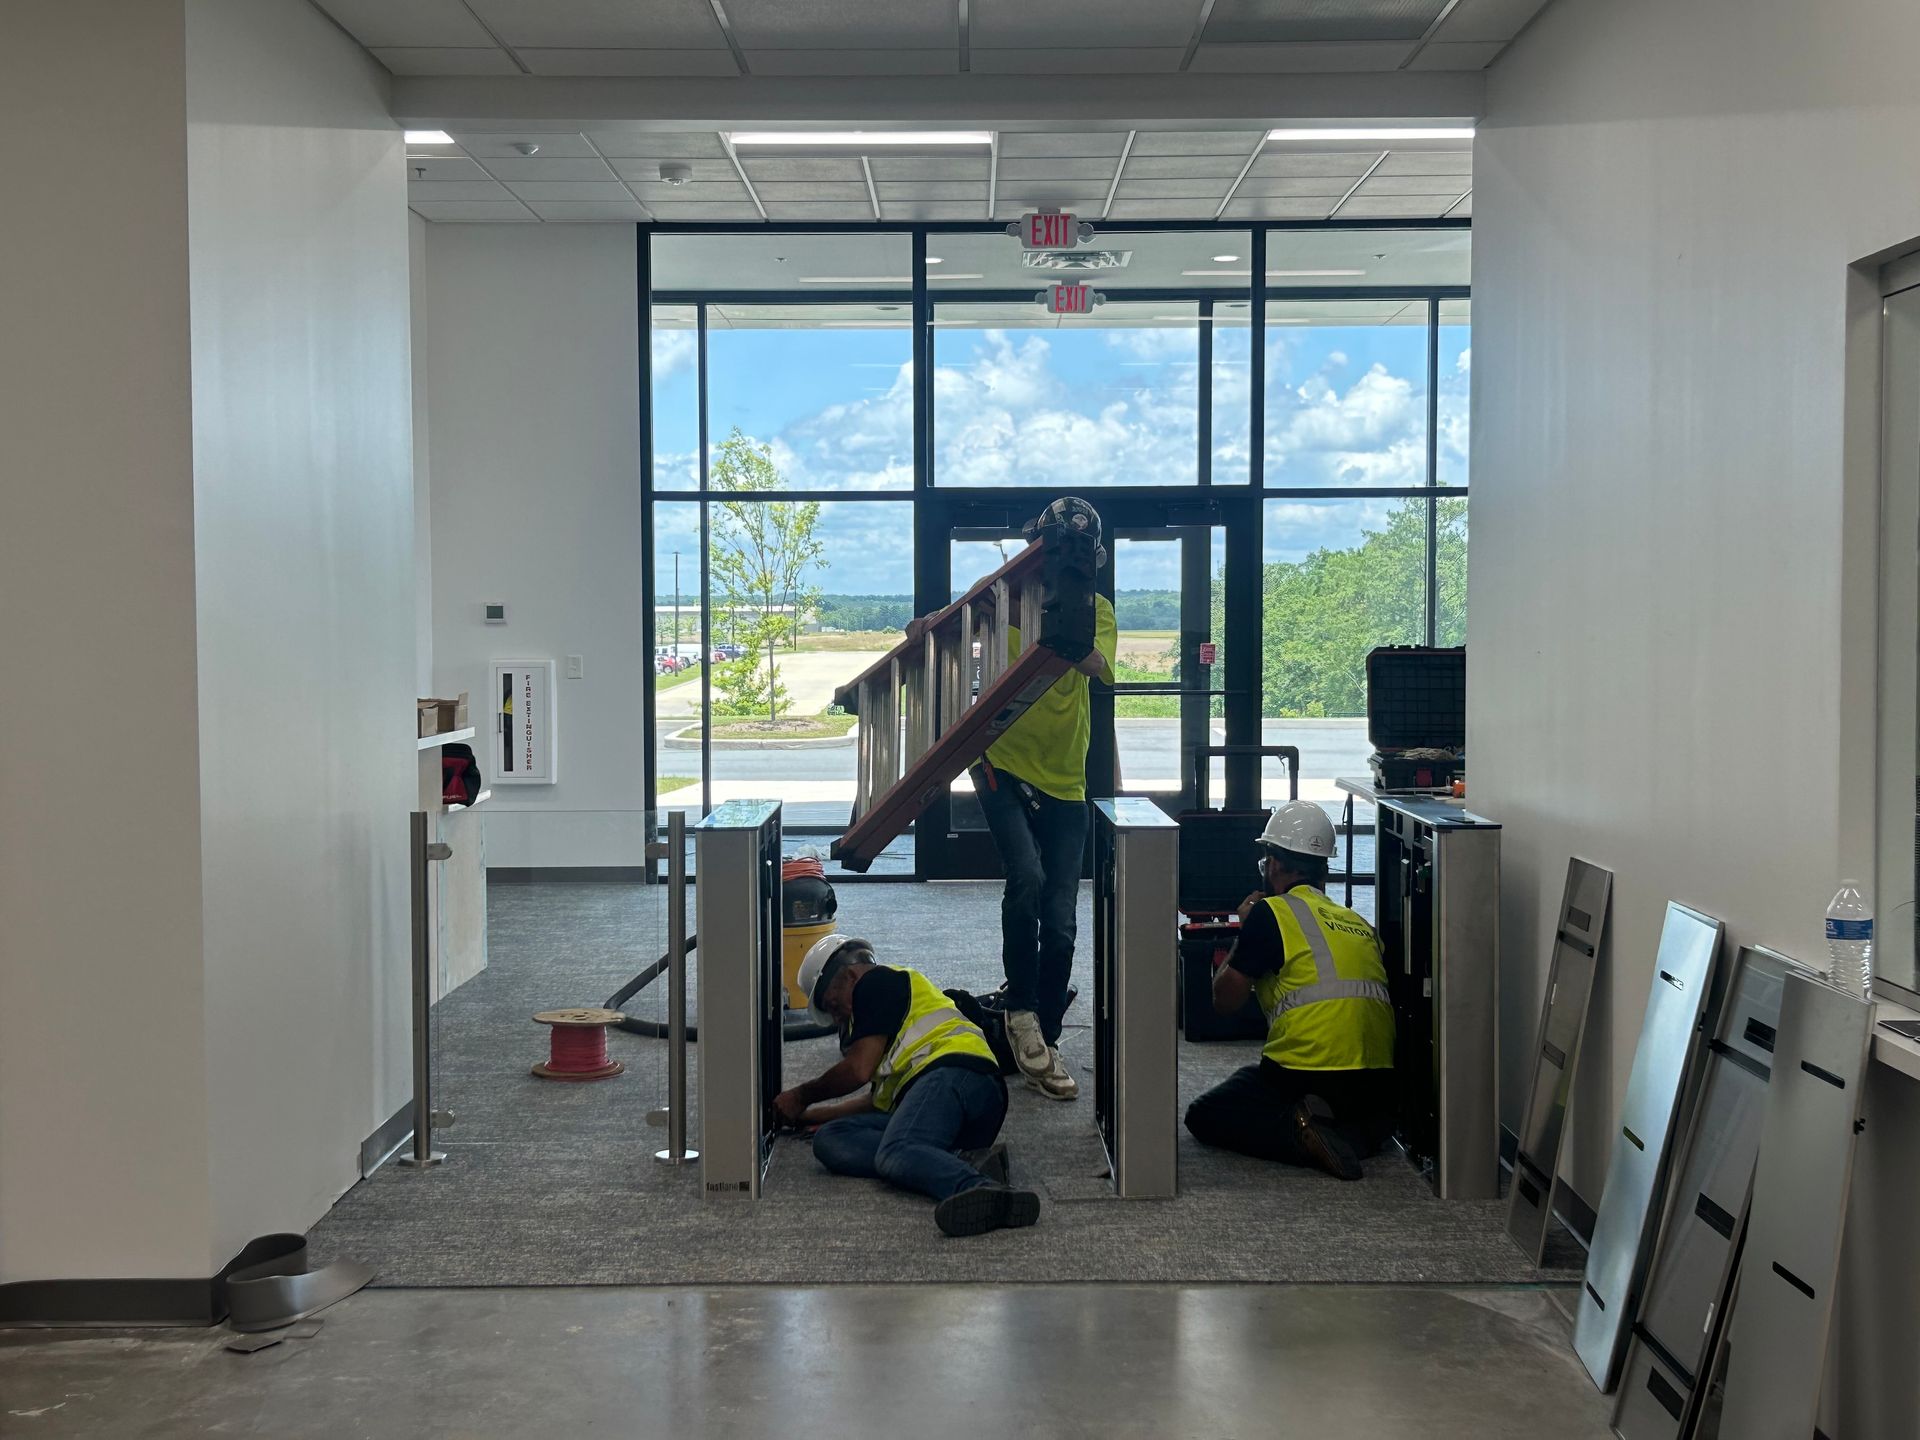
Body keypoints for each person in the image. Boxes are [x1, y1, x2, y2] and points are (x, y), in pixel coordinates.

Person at [968, 497, 1117, 1101]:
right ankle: (1023, 1011)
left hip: (1066, 777)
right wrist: (924, 625)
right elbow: (952, 623)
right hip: (1000, 759)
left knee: (1060, 918)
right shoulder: (1002, 601)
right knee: (1024, 877)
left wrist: (1069, 635)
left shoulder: (1095, 609)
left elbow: (1103, 667)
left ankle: (1046, 1035)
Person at [774, 933, 1042, 1238]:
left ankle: (981, 1187)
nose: (838, 1018)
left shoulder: (875, 983)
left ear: (850, 975)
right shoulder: (885, 1018)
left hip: (956, 1075)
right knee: (832, 1138)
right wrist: (807, 1117)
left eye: (834, 1005)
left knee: (896, 1151)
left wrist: (801, 1095)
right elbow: (874, 1101)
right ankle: (964, 1160)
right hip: (948, 1101)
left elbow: (858, 1070)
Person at [1183, 801, 1397, 1180]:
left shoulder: (1273, 913)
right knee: (1267, 1083)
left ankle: (1302, 1134)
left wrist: (1244, 931)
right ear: (1324, 869)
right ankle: (1355, 1133)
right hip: (1376, 1080)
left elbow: (1224, 1000)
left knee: (1206, 1113)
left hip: (1308, 1071)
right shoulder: (1359, 922)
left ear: (1275, 865)